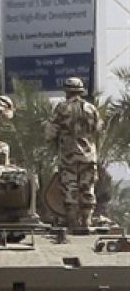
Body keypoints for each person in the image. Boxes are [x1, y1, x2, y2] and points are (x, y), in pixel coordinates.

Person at [44, 76, 102, 228]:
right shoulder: (91, 108)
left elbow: (50, 132)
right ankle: (87, 220)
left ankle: (72, 221)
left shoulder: (62, 108)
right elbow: (98, 129)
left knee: (70, 186)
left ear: (67, 92)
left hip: (68, 156)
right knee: (87, 187)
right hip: (89, 155)